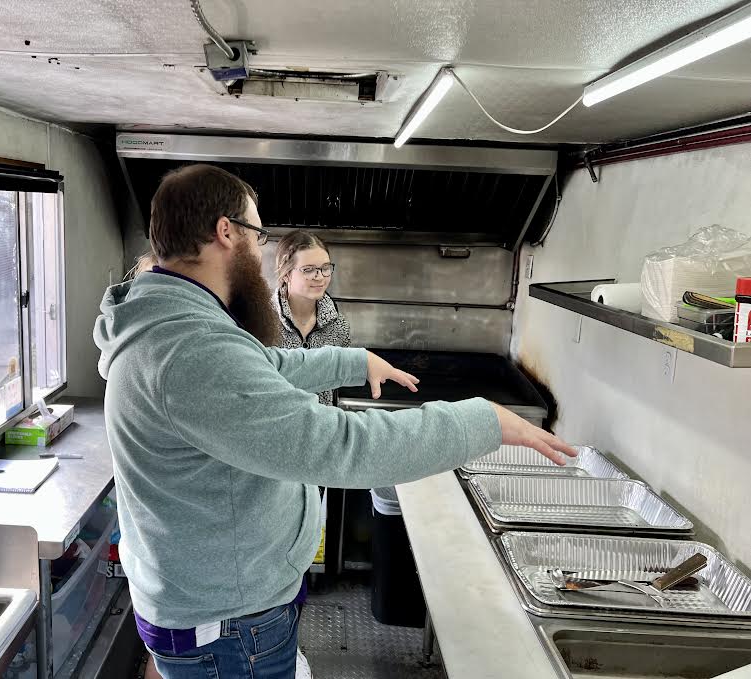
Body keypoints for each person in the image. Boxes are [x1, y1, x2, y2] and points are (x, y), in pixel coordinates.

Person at [93, 164, 575, 679]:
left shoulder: (173, 324)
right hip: (229, 627)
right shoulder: (191, 352)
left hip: (221, 602)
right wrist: (481, 421)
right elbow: (342, 447)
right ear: (226, 232)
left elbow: (266, 365)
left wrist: (352, 360)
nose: (259, 252)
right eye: (257, 234)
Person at [274, 230, 349, 406]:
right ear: (286, 274)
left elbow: (336, 387)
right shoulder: (262, 321)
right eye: (308, 270)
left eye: (325, 268)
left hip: (323, 428)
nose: (320, 277)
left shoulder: (339, 326)